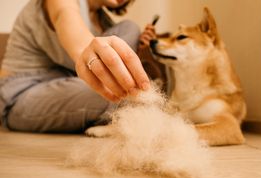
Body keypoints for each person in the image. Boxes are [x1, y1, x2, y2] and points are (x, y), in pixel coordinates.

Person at [0, 0, 158, 133]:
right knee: (113, 93)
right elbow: (65, 16)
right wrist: (89, 51)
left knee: (130, 28)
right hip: (20, 95)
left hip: (69, 81)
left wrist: (138, 48)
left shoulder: (105, 23)